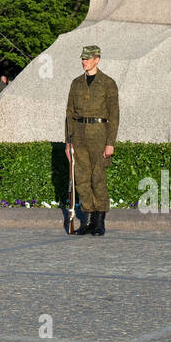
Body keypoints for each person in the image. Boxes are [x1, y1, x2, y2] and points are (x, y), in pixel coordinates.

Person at [65, 45, 119, 236]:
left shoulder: (108, 83)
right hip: (78, 134)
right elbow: (69, 114)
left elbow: (114, 115)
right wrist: (68, 142)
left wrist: (110, 142)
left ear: (97, 59)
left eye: (88, 58)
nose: (84, 61)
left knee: (98, 178)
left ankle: (99, 222)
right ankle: (86, 220)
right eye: (83, 58)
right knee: (81, 179)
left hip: (99, 133)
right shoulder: (76, 83)